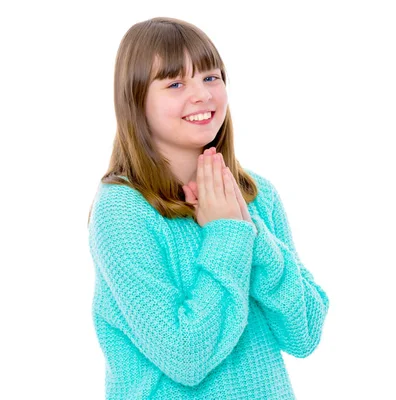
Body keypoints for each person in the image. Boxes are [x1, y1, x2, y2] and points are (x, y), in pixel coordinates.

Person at [87, 16, 330, 399]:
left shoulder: (256, 195)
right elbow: (186, 357)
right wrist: (227, 234)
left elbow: (305, 334)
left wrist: (251, 230)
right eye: (176, 83)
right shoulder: (122, 211)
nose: (202, 95)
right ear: (135, 101)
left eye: (211, 77)